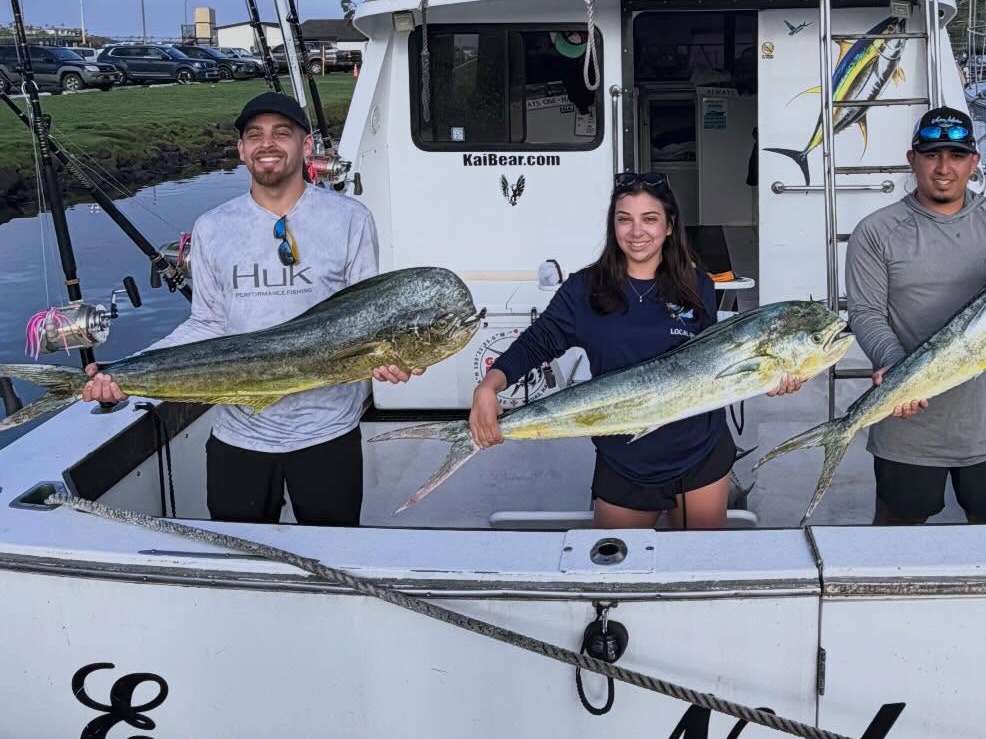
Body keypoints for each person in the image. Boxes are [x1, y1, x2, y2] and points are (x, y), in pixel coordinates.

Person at [80, 91, 415, 526]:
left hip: (328, 436)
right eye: (254, 135)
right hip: (239, 437)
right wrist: (124, 370)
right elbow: (207, 323)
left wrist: (390, 361)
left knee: (332, 565)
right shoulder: (213, 227)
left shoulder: (350, 219)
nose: (267, 143)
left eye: (282, 132)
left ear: (306, 144)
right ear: (241, 150)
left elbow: (367, 320)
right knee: (243, 565)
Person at [467, 171, 803, 529]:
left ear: (670, 226)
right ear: (613, 226)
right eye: (624, 219)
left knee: (696, 565)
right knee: (617, 574)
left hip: (699, 455)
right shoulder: (585, 289)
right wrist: (489, 386)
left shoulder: (698, 285)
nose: (636, 231)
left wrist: (770, 377)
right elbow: (538, 342)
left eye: (650, 219)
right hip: (624, 458)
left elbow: (715, 360)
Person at [844, 106, 986, 526]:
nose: (943, 168)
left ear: (974, 161)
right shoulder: (876, 231)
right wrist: (895, 365)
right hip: (908, 425)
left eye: (956, 156)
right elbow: (866, 312)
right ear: (911, 159)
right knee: (898, 532)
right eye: (932, 154)